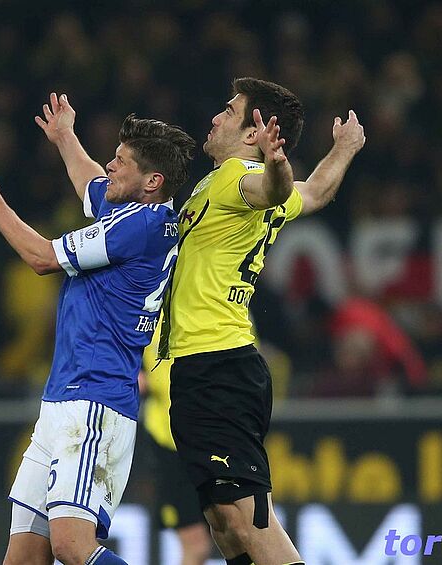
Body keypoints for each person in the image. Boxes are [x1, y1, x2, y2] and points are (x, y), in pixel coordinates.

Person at [0, 95, 195, 565]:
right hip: (63, 401)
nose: (109, 166)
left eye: (121, 161)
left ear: (152, 181)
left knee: (72, 547)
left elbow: (42, 258)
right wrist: (65, 137)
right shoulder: (133, 212)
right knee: (24, 557)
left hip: (95, 402)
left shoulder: (139, 227)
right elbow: (91, 184)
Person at [158, 78, 366, 565]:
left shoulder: (240, 177)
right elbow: (314, 193)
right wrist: (345, 148)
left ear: (254, 132)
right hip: (204, 367)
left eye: (229, 112)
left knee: (248, 519)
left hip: (217, 364)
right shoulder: (223, 182)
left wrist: (276, 165)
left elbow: (275, 188)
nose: (216, 118)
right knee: (224, 523)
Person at [139, 332, 213, 565]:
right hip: (169, 444)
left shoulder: (223, 315)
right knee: (197, 545)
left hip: (214, 441)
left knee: (233, 534)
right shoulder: (149, 316)